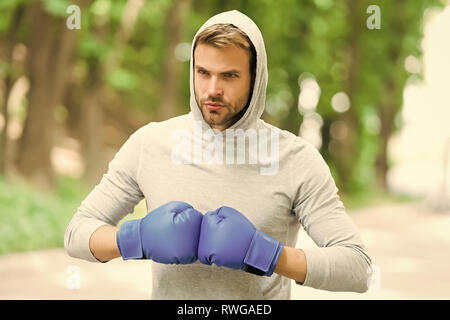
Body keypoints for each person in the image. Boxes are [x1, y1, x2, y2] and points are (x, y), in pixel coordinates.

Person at [64, 10, 372, 299]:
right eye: (203, 72)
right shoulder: (150, 144)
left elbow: (358, 268)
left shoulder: (296, 160)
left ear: (256, 78)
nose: (212, 89)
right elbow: (77, 234)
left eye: (229, 76)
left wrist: (266, 253)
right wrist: (136, 238)